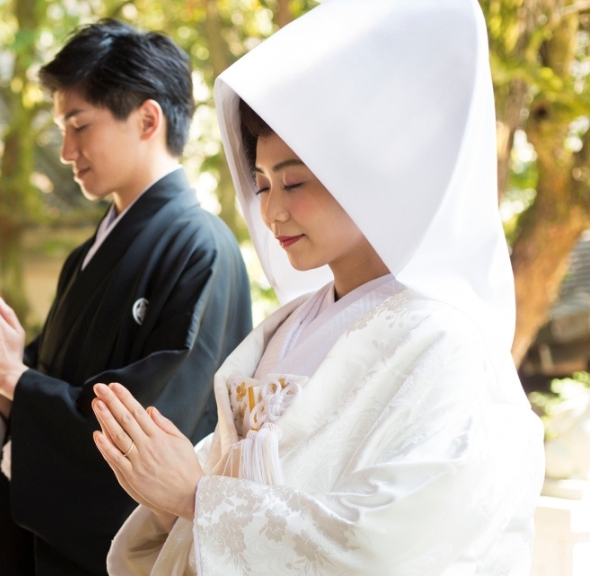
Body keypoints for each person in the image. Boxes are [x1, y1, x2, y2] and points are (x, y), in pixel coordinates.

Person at [91, 0, 545, 573]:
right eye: (260, 185)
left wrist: (195, 499)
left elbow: (391, 544)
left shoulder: (445, 341)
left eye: (295, 182)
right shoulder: (286, 326)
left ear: (370, 176)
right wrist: (166, 500)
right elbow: (209, 495)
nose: (273, 212)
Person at [0, 19, 252, 575]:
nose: (64, 150)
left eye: (79, 125)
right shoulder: (84, 258)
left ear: (147, 119)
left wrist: (12, 378)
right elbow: (47, 387)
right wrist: (1, 379)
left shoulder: (202, 247)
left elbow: (154, 428)